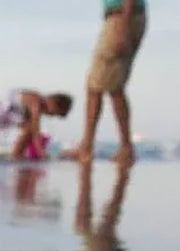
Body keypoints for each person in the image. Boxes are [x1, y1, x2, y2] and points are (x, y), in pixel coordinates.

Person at [75, 0, 148, 167]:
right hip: (125, 17)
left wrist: (123, 27)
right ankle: (125, 147)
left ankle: (88, 147)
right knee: (113, 86)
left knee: (96, 87)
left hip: (122, 18)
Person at [0, 90, 73, 161]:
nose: (51, 116)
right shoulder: (37, 103)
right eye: (54, 113)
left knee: (28, 130)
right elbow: (36, 130)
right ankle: (16, 155)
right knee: (29, 130)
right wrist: (41, 152)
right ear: (52, 103)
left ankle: (16, 153)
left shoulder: (37, 101)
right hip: (3, 112)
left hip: (7, 110)